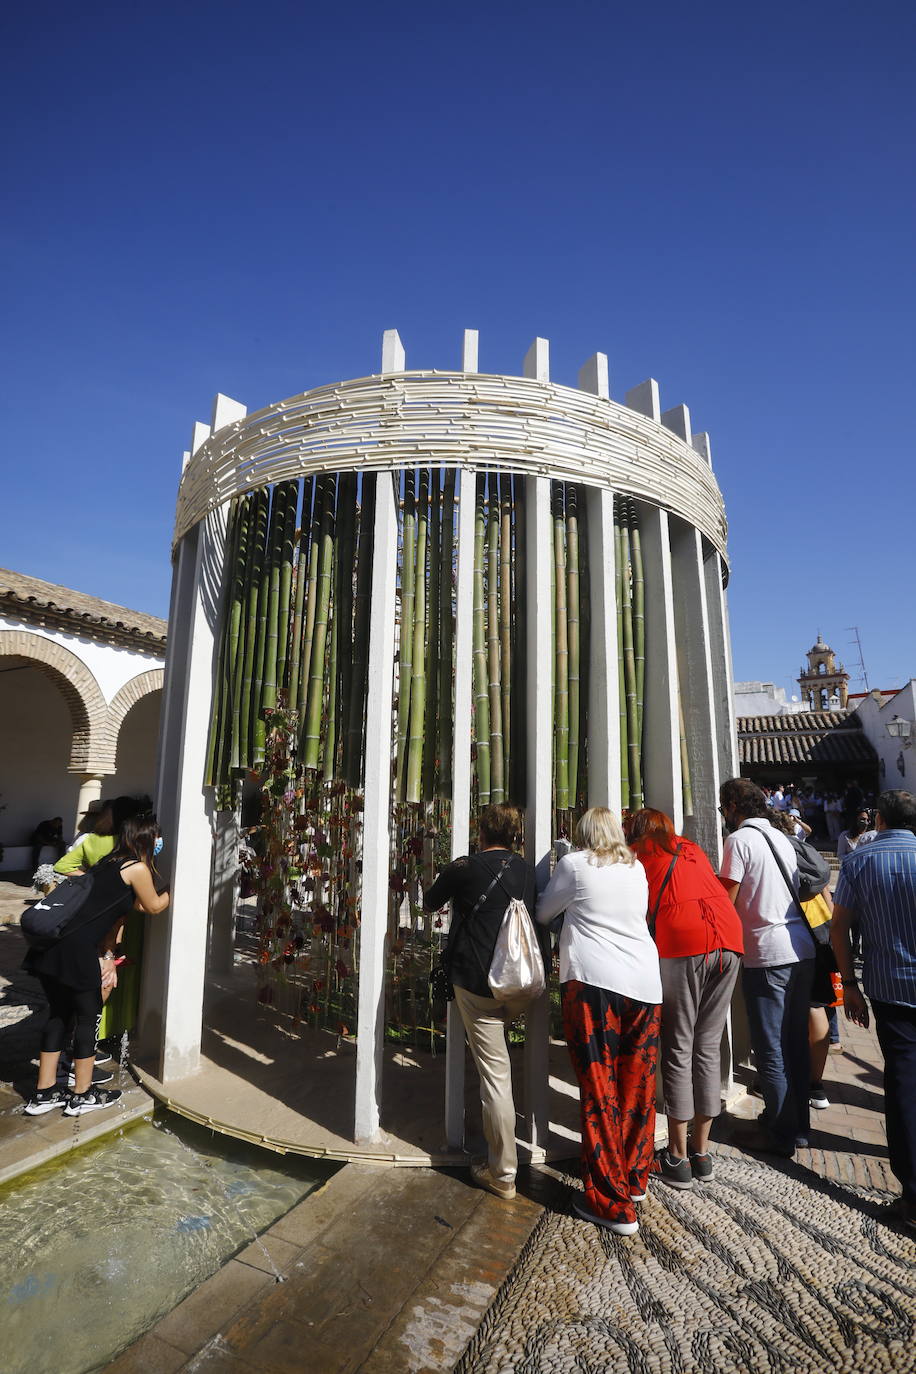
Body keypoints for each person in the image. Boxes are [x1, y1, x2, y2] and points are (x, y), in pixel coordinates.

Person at [537, 808, 661, 1236]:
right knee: (636, 1087)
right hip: (645, 983)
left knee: (598, 1089)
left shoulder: (574, 865)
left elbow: (542, 912)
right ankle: (634, 1177)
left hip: (594, 984)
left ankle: (611, 1202)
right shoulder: (636, 867)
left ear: (583, 835)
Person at [423, 803, 539, 1202]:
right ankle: (505, 1155)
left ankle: (503, 1172)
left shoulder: (465, 868)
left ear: (482, 832)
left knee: (495, 1077)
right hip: (521, 982)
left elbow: (429, 901)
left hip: (478, 983)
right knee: (500, 1064)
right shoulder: (528, 870)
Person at [22, 814, 170, 1117]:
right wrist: (174, 890)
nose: (159, 842)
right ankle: (82, 1094)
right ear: (145, 838)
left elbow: (136, 904)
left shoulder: (108, 863)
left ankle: (44, 1093)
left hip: (51, 948)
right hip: (76, 952)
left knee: (59, 1016)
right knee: (88, 1018)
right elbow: (153, 906)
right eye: (157, 837)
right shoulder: (137, 868)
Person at [627, 808, 744, 1189]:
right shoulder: (691, 848)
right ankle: (702, 1153)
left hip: (684, 944)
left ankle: (677, 1158)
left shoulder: (638, 854)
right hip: (729, 939)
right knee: (707, 1047)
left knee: (678, 1047)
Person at [832, 790, 916, 1229]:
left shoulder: (858, 861)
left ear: (879, 819)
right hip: (895, 986)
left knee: (903, 1083)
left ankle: (914, 1196)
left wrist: (849, 986)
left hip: (891, 987)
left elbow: (839, 927)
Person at [719, 778, 816, 1156]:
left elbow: (727, 899)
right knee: (794, 1043)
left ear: (732, 807)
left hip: (767, 952)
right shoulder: (780, 836)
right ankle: (798, 1125)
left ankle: (779, 1133)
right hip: (800, 949)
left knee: (770, 1047)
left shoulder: (739, 841)